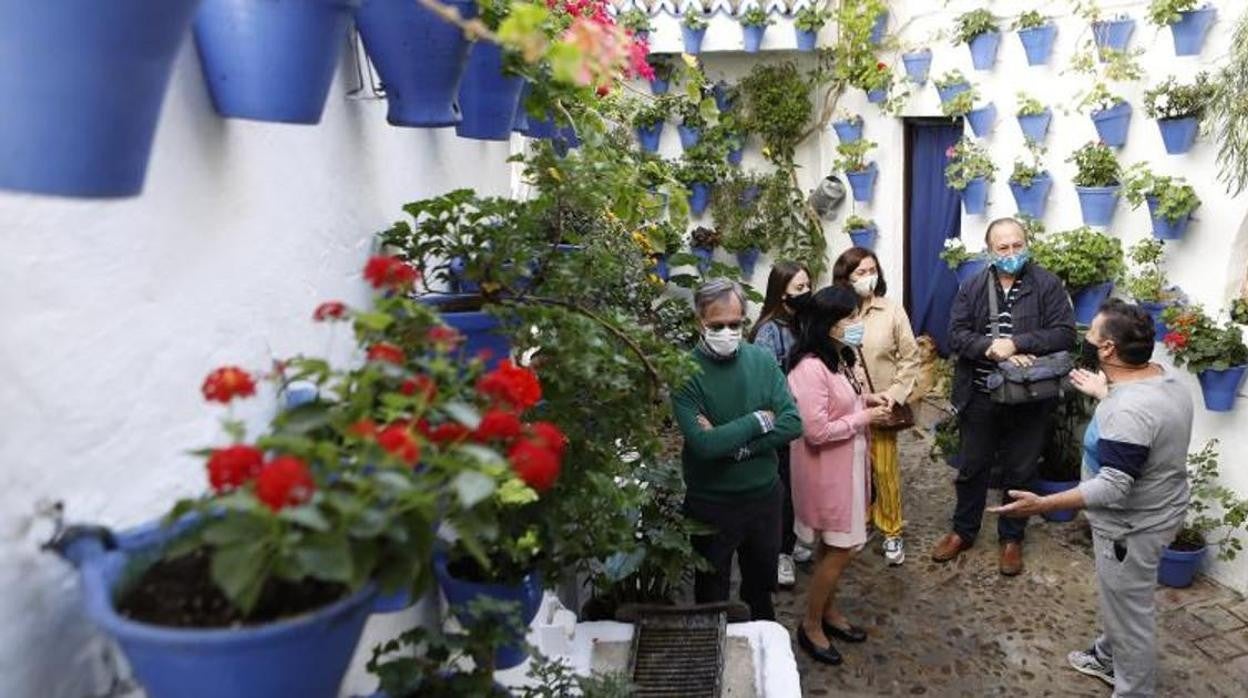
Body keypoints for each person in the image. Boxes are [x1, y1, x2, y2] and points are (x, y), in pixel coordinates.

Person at [990, 299, 1192, 697]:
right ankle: (1106, 657)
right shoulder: (1166, 379)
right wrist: (1108, 394)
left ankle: (1134, 689)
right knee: (1122, 602)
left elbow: (1114, 485)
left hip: (1130, 529)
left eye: (1093, 334)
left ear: (1108, 349)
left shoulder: (1128, 410)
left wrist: (1042, 504)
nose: (1086, 338)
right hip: (1162, 510)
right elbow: (1142, 426)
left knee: (1131, 617)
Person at [932, 217, 1076, 575]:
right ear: (989, 251)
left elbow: (1064, 334)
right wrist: (991, 347)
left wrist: (1018, 343)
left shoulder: (1047, 284)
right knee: (972, 468)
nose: (1012, 253)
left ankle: (1012, 538)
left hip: (1030, 397)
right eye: (1003, 247)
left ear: (1026, 244)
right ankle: (963, 531)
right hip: (980, 395)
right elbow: (956, 335)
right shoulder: (972, 287)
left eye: (1017, 245)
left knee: (1021, 470)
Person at [672, 278, 802, 621]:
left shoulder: (761, 360)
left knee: (761, 592)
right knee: (710, 595)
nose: (727, 332)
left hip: (764, 498)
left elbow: (792, 423)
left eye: (735, 324)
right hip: (710, 504)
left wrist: (738, 448)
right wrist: (759, 420)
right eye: (717, 326)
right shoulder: (685, 374)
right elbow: (704, 445)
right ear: (700, 321)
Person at [785, 286, 893, 665]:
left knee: (832, 547)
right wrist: (865, 417)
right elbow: (815, 430)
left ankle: (828, 613)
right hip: (827, 474)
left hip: (847, 468)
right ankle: (811, 624)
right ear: (829, 323)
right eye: (850, 317)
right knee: (840, 548)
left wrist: (867, 400)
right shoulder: (809, 368)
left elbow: (841, 402)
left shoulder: (837, 357)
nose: (857, 323)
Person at [832, 247, 921, 566]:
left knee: (884, 471)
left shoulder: (891, 311)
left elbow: (910, 358)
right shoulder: (835, 314)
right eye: (861, 272)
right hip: (847, 408)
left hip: (883, 406)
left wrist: (894, 395)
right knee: (852, 470)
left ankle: (892, 530)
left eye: (872, 271)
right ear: (845, 278)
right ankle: (861, 521)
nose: (868, 277)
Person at [750, 261, 813, 587]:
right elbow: (766, 385)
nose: (806, 293)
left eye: (808, 286)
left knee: (800, 488)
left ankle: (791, 542)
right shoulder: (768, 332)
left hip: (805, 422)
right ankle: (779, 554)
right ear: (781, 293)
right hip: (782, 425)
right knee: (783, 492)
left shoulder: (801, 323)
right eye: (799, 288)